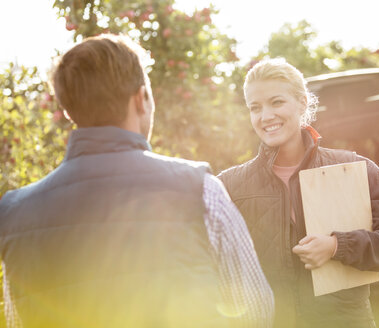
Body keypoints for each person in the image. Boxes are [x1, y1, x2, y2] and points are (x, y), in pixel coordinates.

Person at [0, 34, 273, 328]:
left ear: (68, 111)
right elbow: (257, 311)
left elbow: (17, 321)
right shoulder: (200, 190)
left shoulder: (13, 213)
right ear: (140, 99)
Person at [218, 59, 379, 328]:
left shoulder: (353, 168)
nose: (265, 116)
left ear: (302, 103)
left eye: (277, 102)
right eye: (255, 107)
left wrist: (338, 246)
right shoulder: (229, 186)